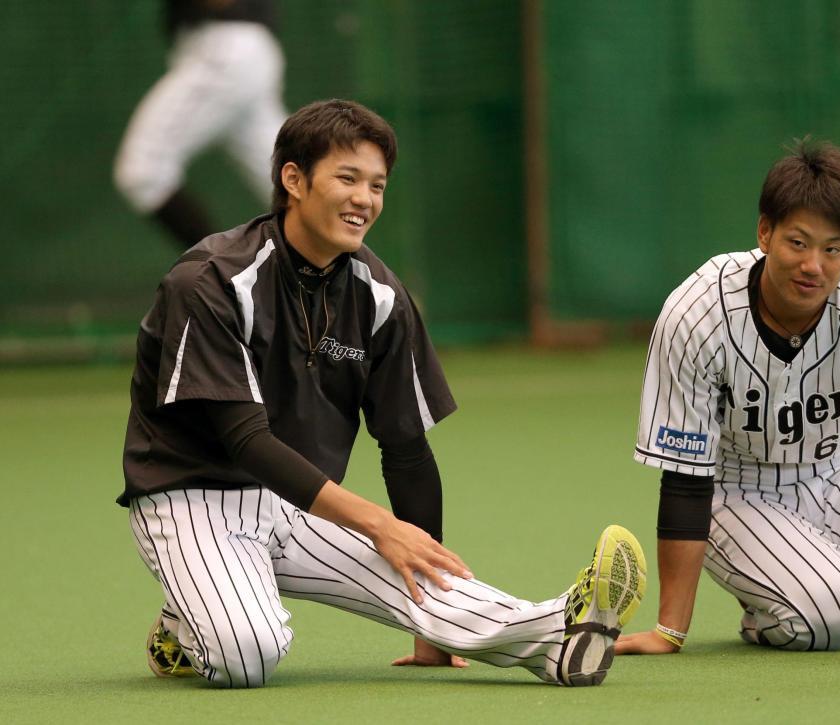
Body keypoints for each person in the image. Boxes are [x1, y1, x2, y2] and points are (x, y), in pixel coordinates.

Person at [117, 98, 646, 687]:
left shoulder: (380, 296)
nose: (364, 199)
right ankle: (184, 623)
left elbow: (406, 449)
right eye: (347, 178)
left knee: (419, 582)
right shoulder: (211, 280)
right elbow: (246, 441)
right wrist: (377, 524)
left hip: (296, 504)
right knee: (247, 654)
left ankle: (558, 636)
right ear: (293, 179)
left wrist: (428, 628)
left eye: (377, 185)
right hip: (190, 496)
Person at [617, 138, 840, 655]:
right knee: (825, 614)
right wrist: (670, 629)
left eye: (832, 248)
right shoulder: (696, 315)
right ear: (764, 232)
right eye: (798, 243)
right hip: (735, 495)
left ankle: (802, 562)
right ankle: (768, 606)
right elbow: (687, 480)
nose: (813, 266)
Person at [114, 0, 287, 248]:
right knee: (294, 187)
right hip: (242, 49)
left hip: (224, 48)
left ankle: (221, 278)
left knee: (144, 169)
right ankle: (342, 279)